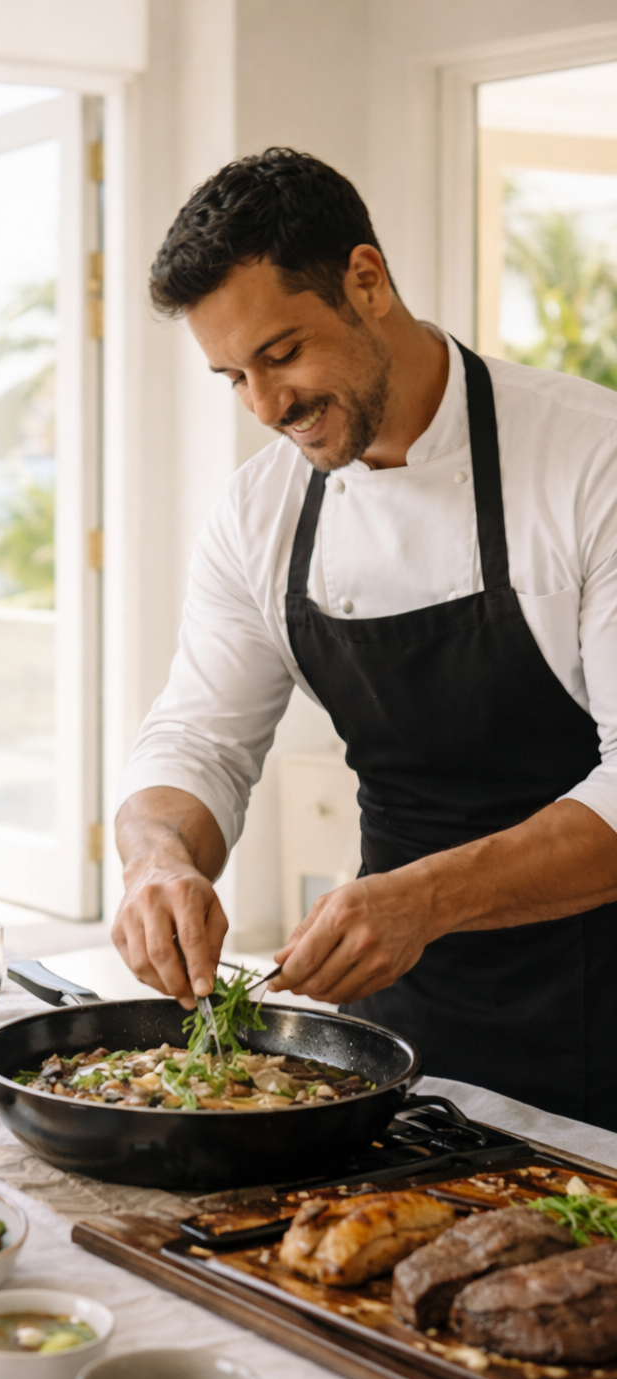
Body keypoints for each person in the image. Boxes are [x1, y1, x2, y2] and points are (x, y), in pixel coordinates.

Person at [112, 148, 617, 1128]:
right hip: (394, 1028)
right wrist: (157, 859)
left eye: (282, 354)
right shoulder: (259, 512)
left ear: (366, 281)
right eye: (232, 379)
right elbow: (197, 738)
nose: (266, 408)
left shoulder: (589, 460)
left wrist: (420, 901)